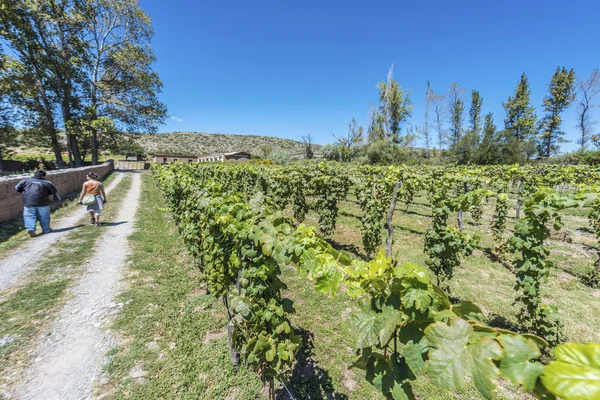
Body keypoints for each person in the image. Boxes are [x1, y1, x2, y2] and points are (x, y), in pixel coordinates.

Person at [15, 170, 59, 237]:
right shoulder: (47, 182)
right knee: (44, 216)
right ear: (42, 176)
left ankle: (30, 229)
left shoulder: (25, 180)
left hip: (28, 202)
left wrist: (25, 192)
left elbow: (17, 188)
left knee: (29, 216)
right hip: (43, 202)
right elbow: (54, 191)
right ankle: (46, 230)